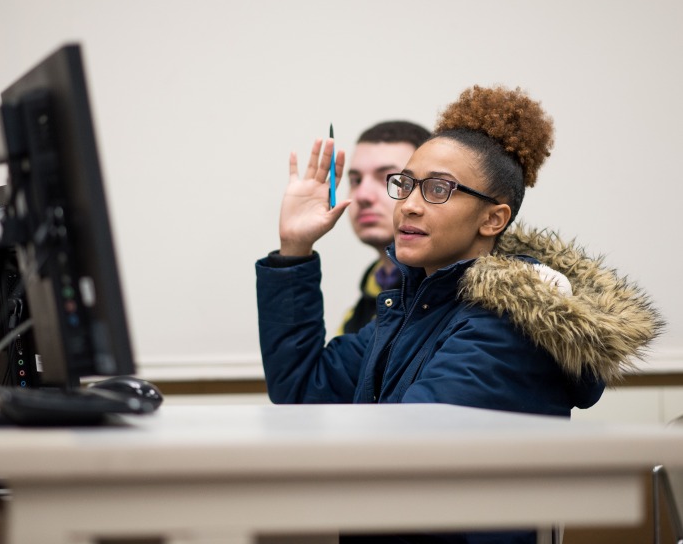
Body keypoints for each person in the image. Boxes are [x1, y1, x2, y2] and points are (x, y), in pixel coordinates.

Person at [255, 85, 663, 544]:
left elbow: (402, 448)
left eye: (438, 189)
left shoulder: (509, 322)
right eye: (405, 183)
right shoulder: (416, 308)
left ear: (493, 220)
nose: (407, 203)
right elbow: (301, 389)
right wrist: (295, 249)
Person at [341, 120, 431, 334]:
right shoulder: (358, 310)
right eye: (355, 180)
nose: (362, 195)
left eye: (389, 179)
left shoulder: (459, 303)